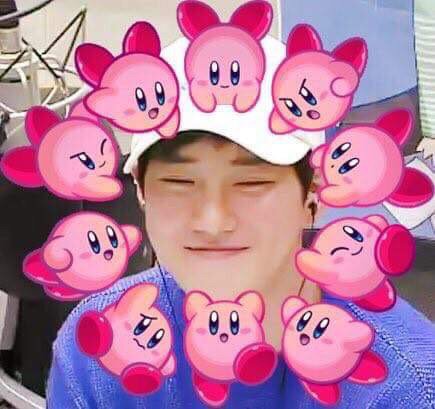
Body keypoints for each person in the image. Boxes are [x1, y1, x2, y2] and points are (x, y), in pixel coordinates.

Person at [47, 36, 434, 408]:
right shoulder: (98, 349)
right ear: (141, 190)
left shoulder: (405, 383)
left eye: (251, 184)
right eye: (179, 183)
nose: (213, 222)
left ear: (313, 192)